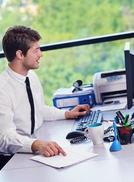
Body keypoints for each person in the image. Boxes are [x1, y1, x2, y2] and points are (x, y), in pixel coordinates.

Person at [0, 25, 90, 162]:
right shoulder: (3, 88)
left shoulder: (31, 76)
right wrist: (36, 144)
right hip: (13, 157)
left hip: (35, 147)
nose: (40, 54)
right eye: (36, 50)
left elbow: (39, 109)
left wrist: (67, 114)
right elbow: (4, 137)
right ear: (19, 54)